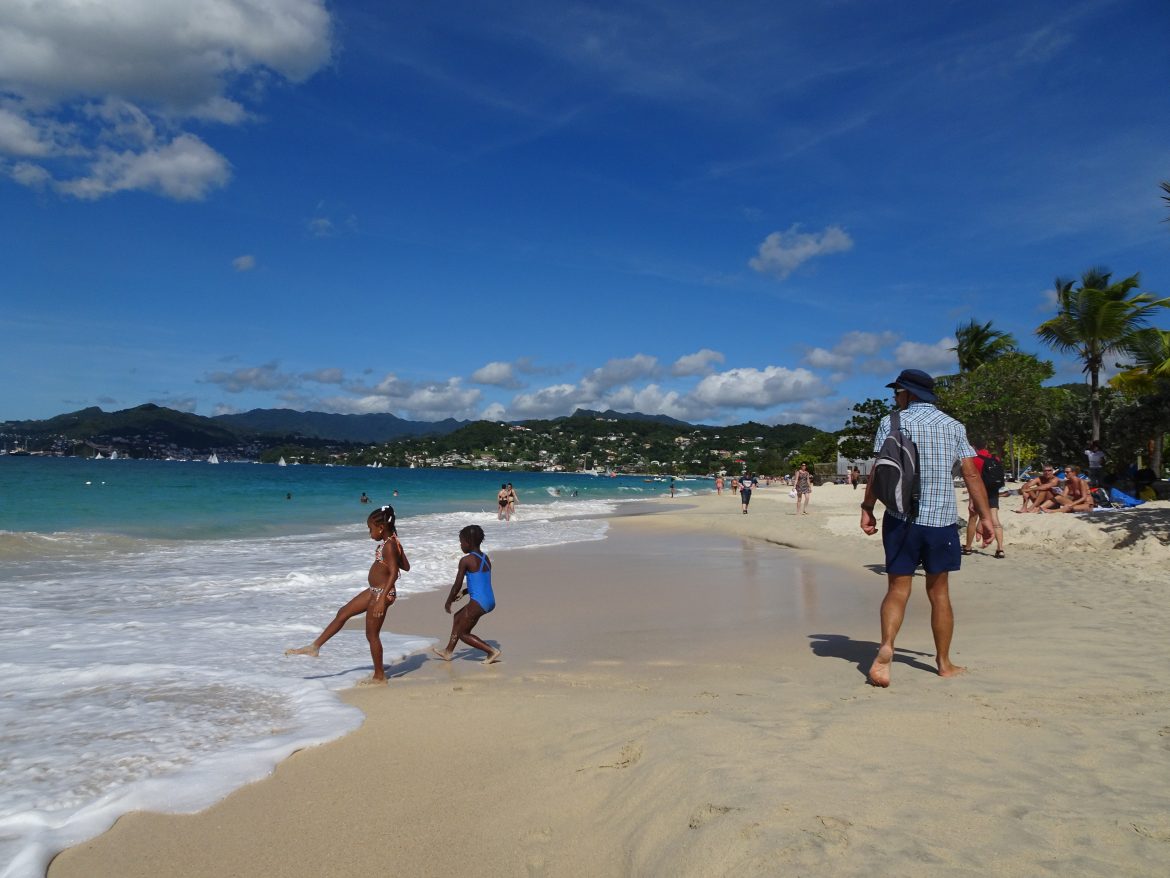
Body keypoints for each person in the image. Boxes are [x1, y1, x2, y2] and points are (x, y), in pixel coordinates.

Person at [859, 369, 992, 688]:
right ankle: (944, 664)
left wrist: (867, 508)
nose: (895, 398)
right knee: (939, 592)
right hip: (940, 521)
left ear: (908, 393)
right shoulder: (954, 426)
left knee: (897, 589)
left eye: (898, 392)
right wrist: (986, 517)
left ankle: (887, 646)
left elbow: (879, 471)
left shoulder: (892, 422)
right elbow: (972, 475)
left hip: (901, 519)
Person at [285, 505, 410, 685]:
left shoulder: (390, 546)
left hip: (381, 594)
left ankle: (379, 676)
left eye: (370, 529)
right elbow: (406, 566)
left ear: (381, 527)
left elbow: (393, 573)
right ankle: (315, 647)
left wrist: (382, 600)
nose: (370, 533)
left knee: (372, 635)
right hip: (374, 592)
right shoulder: (392, 543)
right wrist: (398, 549)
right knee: (343, 612)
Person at [431, 525, 501, 664]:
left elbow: (457, 584)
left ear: (468, 542)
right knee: (458, 617)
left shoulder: (466, 560)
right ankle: (448, 651)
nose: (460, 545)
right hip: (489, 600)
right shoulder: (485, 558)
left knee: (463, 633)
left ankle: (491, 651)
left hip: (478, 602)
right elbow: (480, 582)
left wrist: (449, 600)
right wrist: (464, 592)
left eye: (461, 541)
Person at [962, 446, 1005, 558]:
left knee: (973, 518)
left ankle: (968, 547)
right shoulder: (995, 458)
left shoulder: (975, 459)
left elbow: (973, 479)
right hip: (994, 491)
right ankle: (1000, 549)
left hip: (980, 492)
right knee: (995, 519)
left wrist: (972, 500)